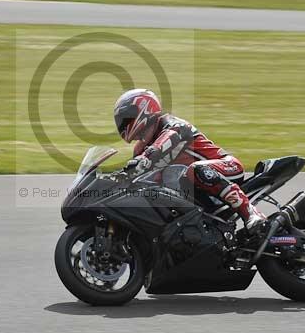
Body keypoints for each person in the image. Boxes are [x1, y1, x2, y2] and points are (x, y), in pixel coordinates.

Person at [114, 88, 266, 232]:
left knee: (194, 170)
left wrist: (145, 158)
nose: (122, 124)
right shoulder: (140, 150)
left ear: (144, 109)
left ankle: (251, 213)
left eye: (126, 118)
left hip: (226, 167)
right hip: (192, 185)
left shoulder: (172, 124)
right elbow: (135, 178)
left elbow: (167, 139)